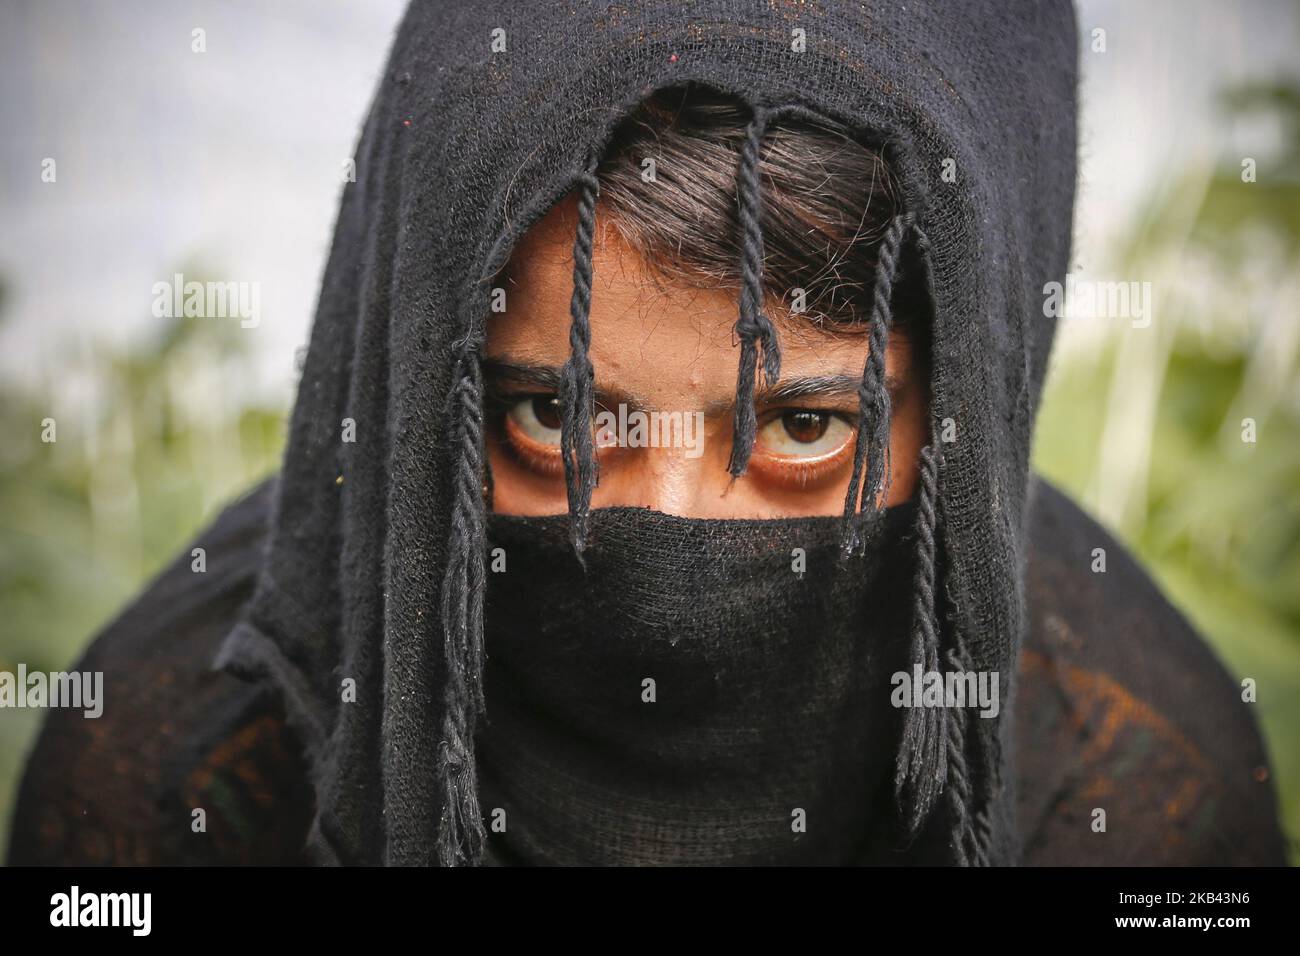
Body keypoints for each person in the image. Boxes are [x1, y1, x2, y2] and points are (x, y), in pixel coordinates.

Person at [8, 0, 1285, 866]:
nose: (670, 538)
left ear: (962, 404)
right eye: (551, 412)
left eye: (800, 425)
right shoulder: (175, 780)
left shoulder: (1132, 796)